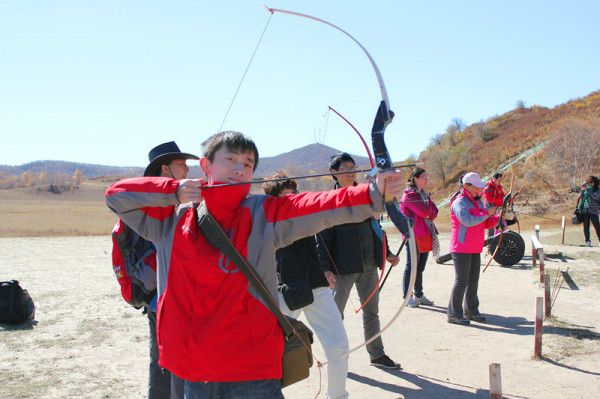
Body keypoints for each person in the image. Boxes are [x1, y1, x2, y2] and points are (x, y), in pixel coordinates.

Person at [105, 130, 402, 398]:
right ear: (206, 166)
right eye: (230, 158)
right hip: (194, 366)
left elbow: (318, 206)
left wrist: (373, 193)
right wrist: (172, 191)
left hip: (253, 367)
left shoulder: (263, 213)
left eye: (248, 164)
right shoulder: (171, 218)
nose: (239, 167)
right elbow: (116, 196)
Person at [111, 141, 198, 399]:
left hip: (174, 299)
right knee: (163, 365)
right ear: (165, 169)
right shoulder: (148, 206)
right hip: (158, 300)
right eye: (181, 165)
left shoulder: (170, 203)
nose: (187, 171)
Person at [262, 174, 349, 399]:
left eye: (294, 194)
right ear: (273, 201)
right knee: (269, 350)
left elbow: (325, 227)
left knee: (338, 345)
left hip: (317, 285)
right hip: (284, 289)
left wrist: (326, 268)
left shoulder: (305, 212)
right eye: (285, 196)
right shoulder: (267, 221)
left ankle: (338, 396)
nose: (292, 200)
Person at [316, 152, 401, 370]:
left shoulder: (365, 195)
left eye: (353, 166)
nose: (351, 170)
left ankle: (377, 354)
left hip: (369, 265)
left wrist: (387, 253)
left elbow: (374, 228)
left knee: (371, 312)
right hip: (342, 269)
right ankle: (336, 357)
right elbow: (322, 239)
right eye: (345, 167)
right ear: (334, 173)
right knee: (335, 317)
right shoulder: (329, 201)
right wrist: (326, 269)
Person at [447, 172, 499, 326]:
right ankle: (453, 314)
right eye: (476, 187)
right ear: (466, 186)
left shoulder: (477, 202)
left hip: (475, 247)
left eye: (480, 187)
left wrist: (498, 218)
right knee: (461, 281)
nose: (479, 190)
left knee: (473, 281)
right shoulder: (459, 202)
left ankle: (471, 311)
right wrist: (486, 214)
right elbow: (468, 221)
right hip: (461, 247)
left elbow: (484, 223)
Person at [399, 167, 438, 308]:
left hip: (425, 233)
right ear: (415, 178)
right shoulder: (409, 195)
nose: (426, 179)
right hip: (413, 235)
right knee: (411, 266)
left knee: (420, 267)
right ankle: (407, 296)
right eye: (423, 177)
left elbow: (434, 211)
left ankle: (419, 294)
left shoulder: (424, 194)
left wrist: (429, 212)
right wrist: (428, 212)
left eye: (427, 177)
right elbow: (424, 211)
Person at [577, 175, 600, 247]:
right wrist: (582, 189)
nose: (589, 184)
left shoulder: (597, 190)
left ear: (594, 183)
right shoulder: (585, 189)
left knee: (597, 227)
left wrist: (588, 190)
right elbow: (580, 197)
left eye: (590, 182)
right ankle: (587, 241)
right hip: (585, 210)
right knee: (586, 227)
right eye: (588, 182)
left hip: (594, 211)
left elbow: (596, 197)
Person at [483, 172, 505, 237]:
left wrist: (508, 199)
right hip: (490, 208)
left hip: (497, 209)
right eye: (499, 180)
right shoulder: (488, 186)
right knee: (491, 226)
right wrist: (501, 200)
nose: (500, 182)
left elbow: (502, 195)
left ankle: (498, 240)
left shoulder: (499, 186)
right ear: (494, 179)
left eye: (501, 180)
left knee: (498, 225)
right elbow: (489, 199)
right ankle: (490, 243)